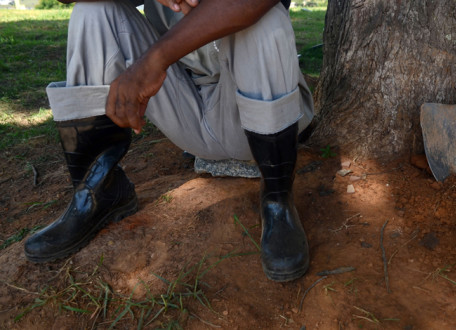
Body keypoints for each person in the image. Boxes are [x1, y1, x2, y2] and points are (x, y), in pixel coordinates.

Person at [23, 0, 314, 282]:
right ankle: (97, 193)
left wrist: (153, 61)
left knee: (267, 16)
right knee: (93, 11)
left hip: (256, 117)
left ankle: (278, 201)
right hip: (188, 108)